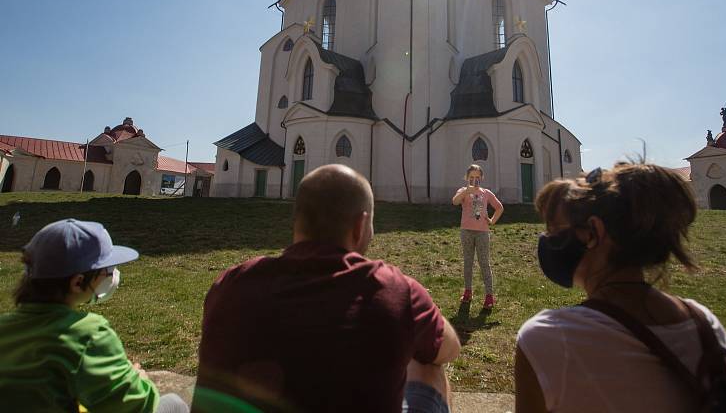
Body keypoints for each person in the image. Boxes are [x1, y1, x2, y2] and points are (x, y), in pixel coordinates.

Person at [192, 164, 461, 413]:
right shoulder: (394, 290)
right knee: (428, 366)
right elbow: (449, 348)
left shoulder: (230, 284)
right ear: (360, 226)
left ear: (297, 221)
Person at [514, 164, 726, 413]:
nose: (547, 239)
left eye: (555, 230)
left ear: (593, 233)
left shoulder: (550, 337)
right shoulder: (704, 323)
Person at [0, 218, 188, 413]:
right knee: (174, 403)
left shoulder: (4, 327)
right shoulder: (87, 334)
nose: (111, 275)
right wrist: (140, 380)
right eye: (106, 270)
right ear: (77, 282)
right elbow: (136, 406)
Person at [451, 164, 504, 309]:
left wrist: (492, 221)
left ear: (481, 178)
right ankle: (468, 292)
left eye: (477, 177)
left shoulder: (486, 193)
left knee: (484, 263)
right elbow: (454, 201)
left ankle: (489, 296)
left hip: (482, 233)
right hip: (466, 232)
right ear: (467, 178)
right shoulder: (463, 191)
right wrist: (465, 192)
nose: (474, 180)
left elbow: (499, 207)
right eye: (471, 177)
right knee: (468, 263)